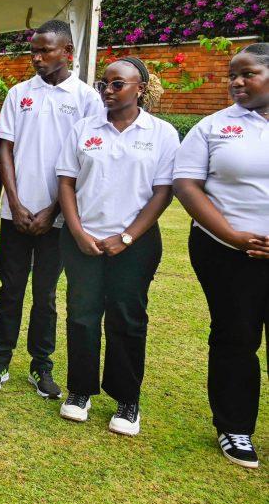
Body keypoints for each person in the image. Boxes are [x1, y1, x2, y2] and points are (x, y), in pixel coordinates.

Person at [55, 57, 179, 436]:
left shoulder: (162, 133)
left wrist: (126, 237)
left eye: (117, 84)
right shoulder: (83, 128)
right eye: (104, 84)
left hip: (135, 243)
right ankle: (80, 391)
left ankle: (127, 400)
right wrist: (78, 232)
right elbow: (66, 183)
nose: (108, 90)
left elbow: (163, 192)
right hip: (83, 239)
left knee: (127, 318)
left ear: (140, 88)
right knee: (81, 314)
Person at [0, 19, 103, 397]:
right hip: (17, 212)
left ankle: (41, 366)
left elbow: (87, 157)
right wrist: (13, 203)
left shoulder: (86, 98)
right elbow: (5, 148)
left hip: (59, 217)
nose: (36, 57)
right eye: (32, 50)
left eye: (44, 50)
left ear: (68, 52)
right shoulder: (19, 94)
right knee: (11, 289)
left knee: (46, 295)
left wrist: (54, 210)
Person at [173, 42, 269, 468]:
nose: (236, 81)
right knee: (236, 336)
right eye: (233, 74)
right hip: (226, 252)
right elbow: (186, 184)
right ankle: (235, 427)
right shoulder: (213, 127)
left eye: (247, 73)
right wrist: (231, 234)